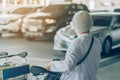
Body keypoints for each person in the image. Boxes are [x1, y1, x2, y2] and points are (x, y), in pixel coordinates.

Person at [46, 11, 102, 80]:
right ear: (90, 24)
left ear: (75, 26)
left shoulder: (77, 43)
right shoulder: (96, 42)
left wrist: (52, 65)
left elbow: (68, 64)